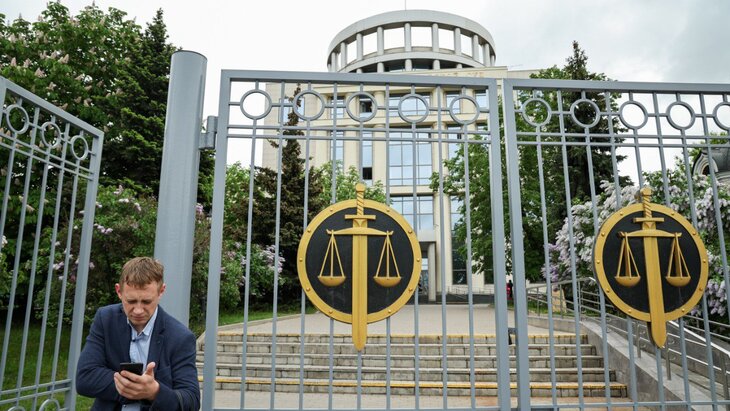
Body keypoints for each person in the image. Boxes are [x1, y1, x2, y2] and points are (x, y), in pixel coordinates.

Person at [76, 257, 200, 410]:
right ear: (119, 291)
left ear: (161, 291)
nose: (138, 310)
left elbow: (191, 401)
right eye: (131, 301)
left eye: (147, 302)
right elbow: (85, 378)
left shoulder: (180, 337)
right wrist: (139, 390)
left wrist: (155, 392)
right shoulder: (105, 319)